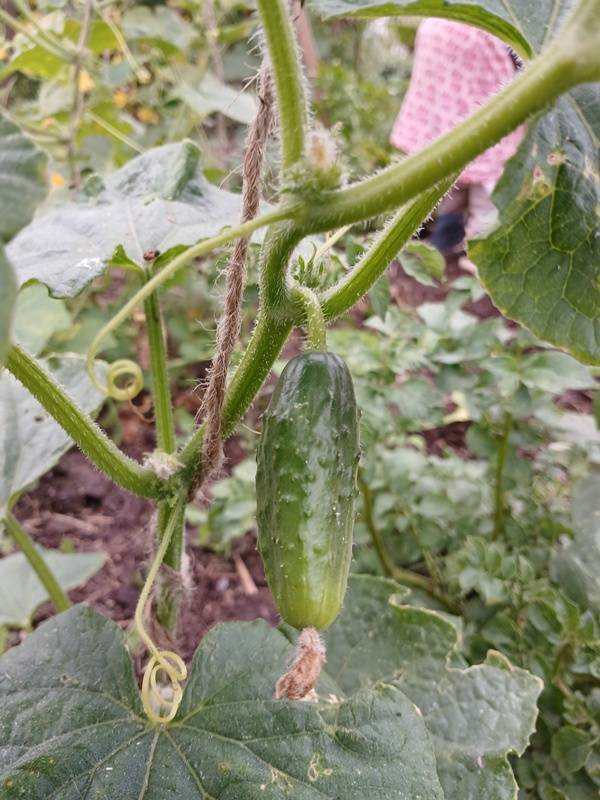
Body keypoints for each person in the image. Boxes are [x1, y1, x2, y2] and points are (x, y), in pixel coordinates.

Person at [390, 18, 524, 256]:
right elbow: (521, 64)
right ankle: (478, 261)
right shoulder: (492, 27)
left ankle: (444, 249)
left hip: (447, 129)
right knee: (486, 204)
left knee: (451, 190)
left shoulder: (437, 20)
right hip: (489, 128)